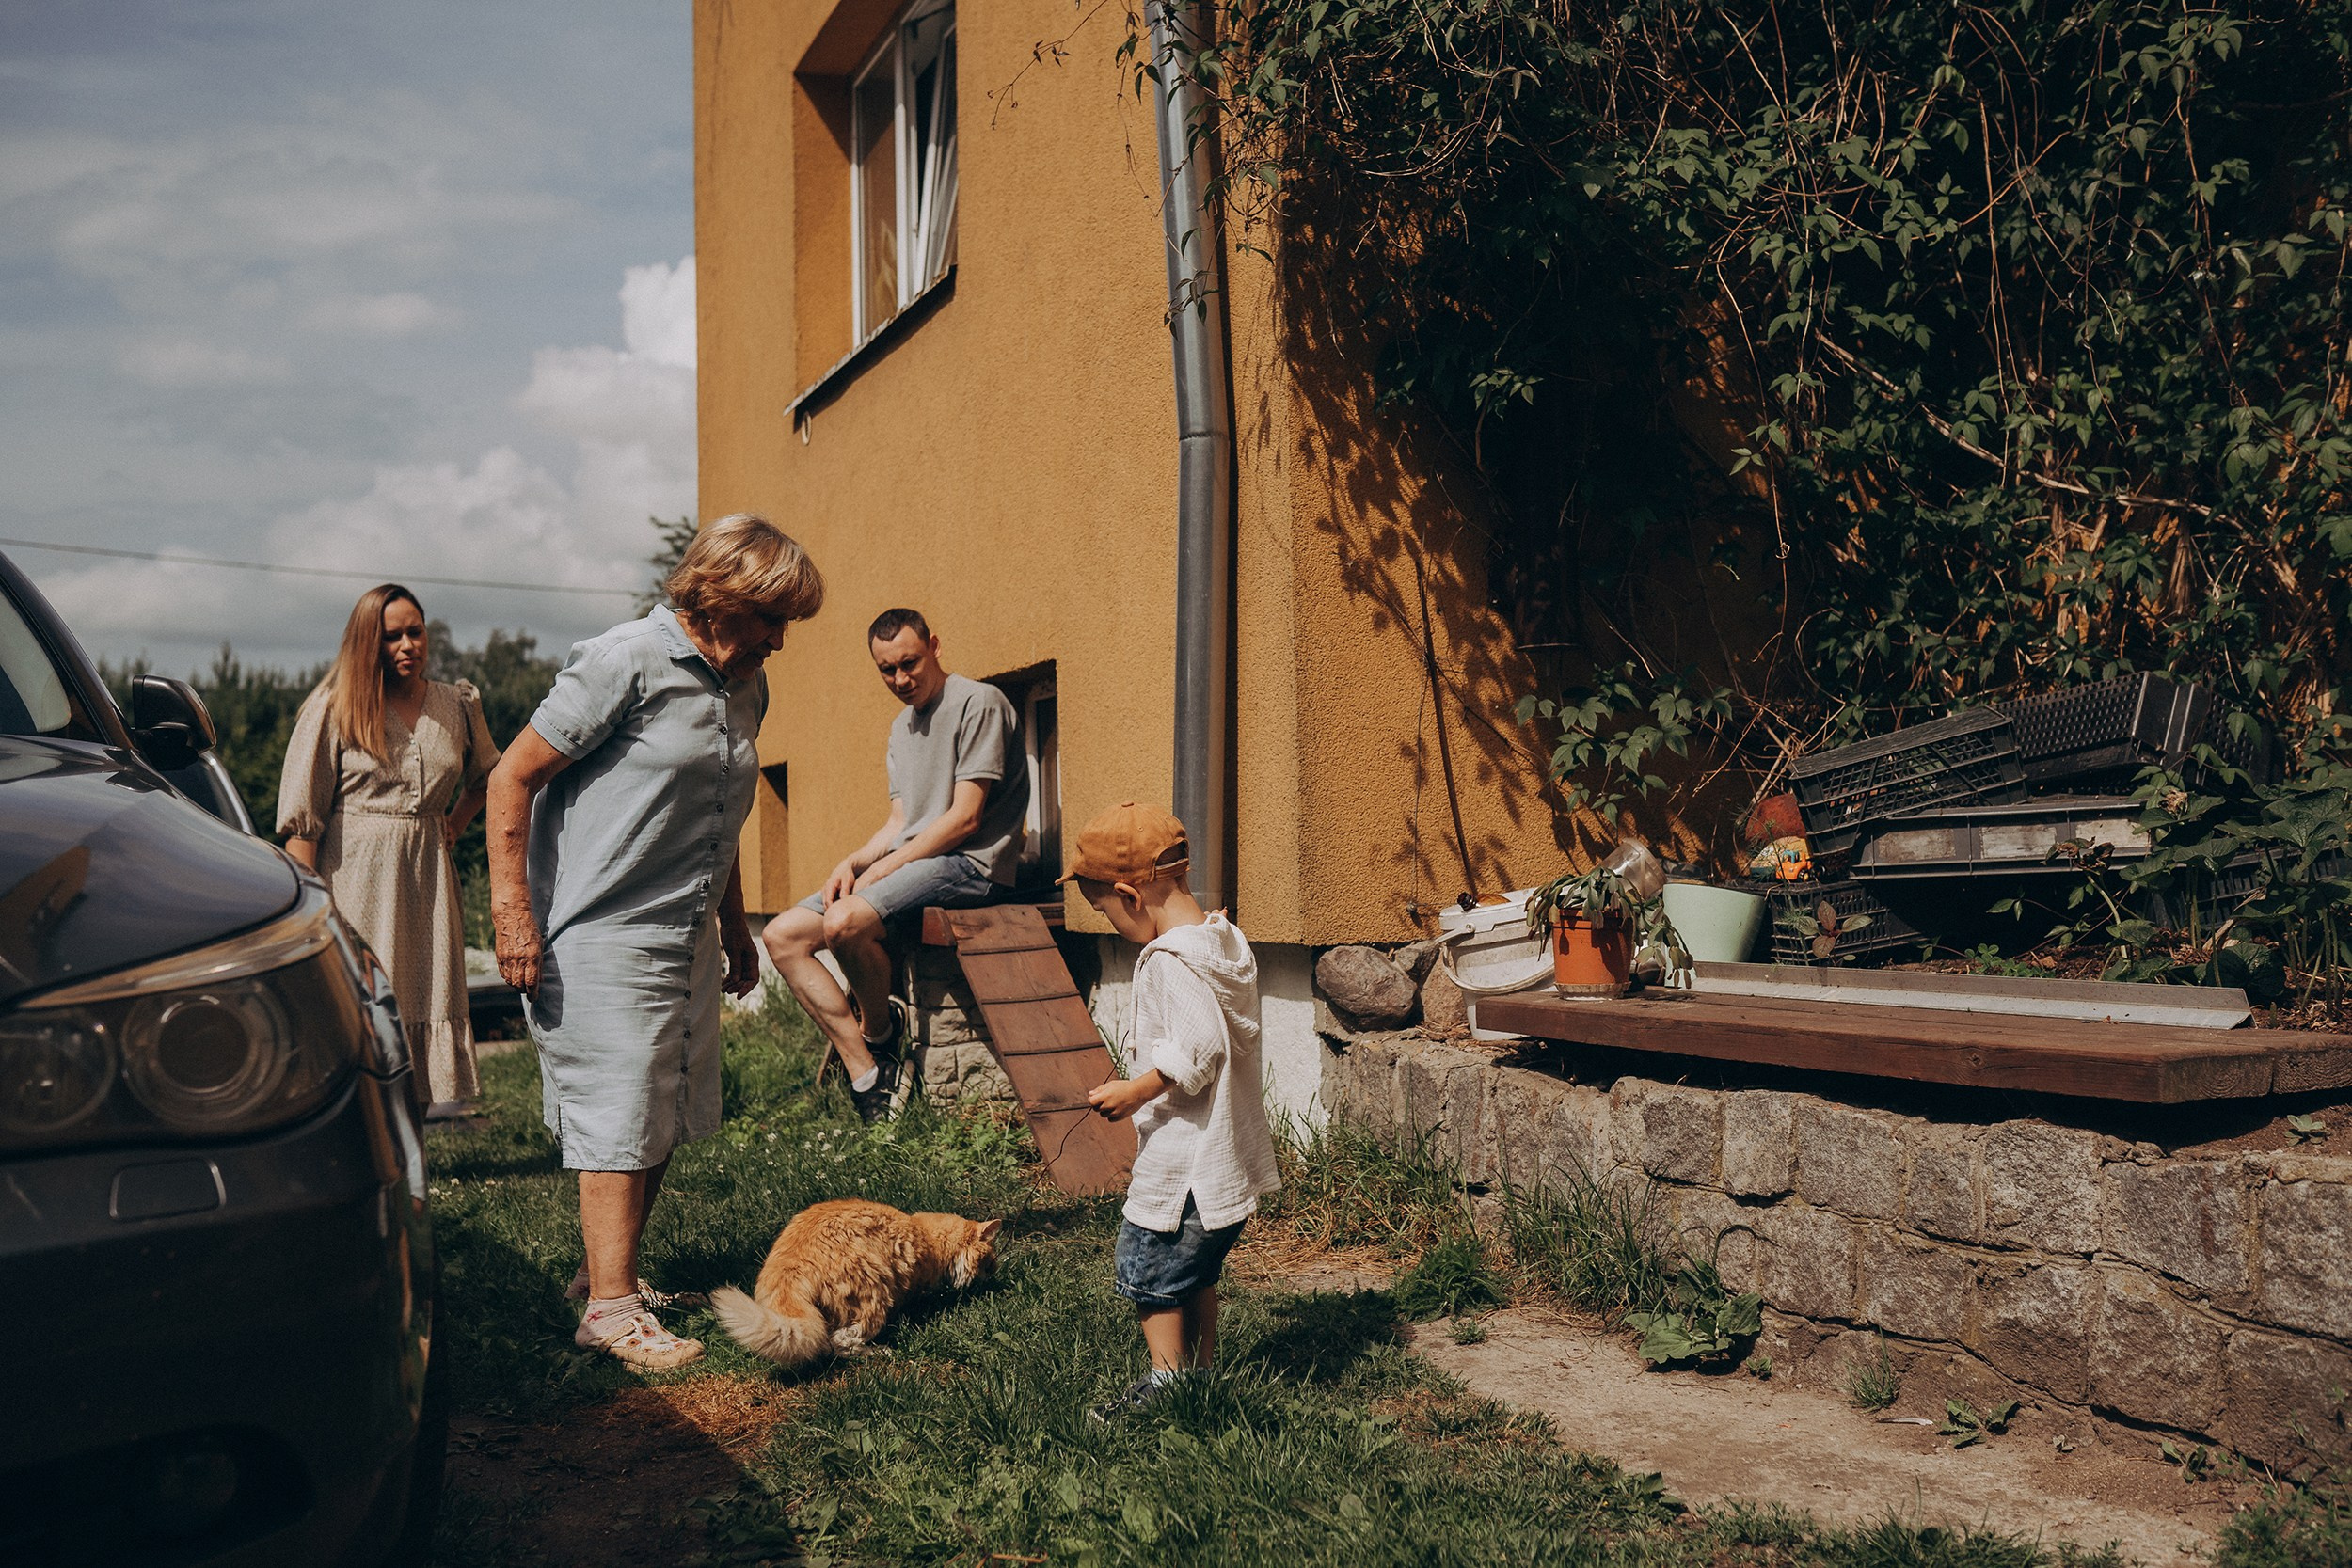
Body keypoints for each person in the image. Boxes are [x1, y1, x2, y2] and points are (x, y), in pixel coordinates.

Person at [485, 513, 823, 1370]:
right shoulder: (623, 661)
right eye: (770, 617)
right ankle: (608, 1310)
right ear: (718, 596)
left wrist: (733, 923)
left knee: (664, 1104)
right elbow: (511, 775)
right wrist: (511, 912)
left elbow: (725, 805)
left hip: (684, 928)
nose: (780, 640)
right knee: (620, 1105)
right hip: (605, 927)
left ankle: (608, 1275)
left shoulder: (746, 683)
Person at [761, 609, 1029, 1122]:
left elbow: (965, 819)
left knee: (843, 923)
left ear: (934, 645)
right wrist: (854, 861)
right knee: (782, 936)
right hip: (919, 861)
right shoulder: (901, 727)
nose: (901, 679)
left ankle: (881, 1028)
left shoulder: (979, 703)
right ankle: (870, 1070)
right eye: (888, 670)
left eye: (910, 663)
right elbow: (900, 822)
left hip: (971, 865)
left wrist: (884, 870)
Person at [1071, 802, 1279, 1419]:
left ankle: (1166, 1384)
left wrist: (1136, 1090)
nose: (1110, 923)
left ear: (1132, 895)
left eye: (1105, 911)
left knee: (1146, 1268)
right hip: (1223, 1159)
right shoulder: (1222, 938)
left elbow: (1202, 1047)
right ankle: (1202, 1375)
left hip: (1186, 1163)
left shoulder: (1168, 960)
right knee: (1197, 1274)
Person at [278, 584, 500, 1119]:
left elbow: (491, 777)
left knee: (421, 1001)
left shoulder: (458, 704)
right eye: (392, 636)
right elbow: (303, 823)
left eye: (415, 632)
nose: (408, 645)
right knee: (364, 1005)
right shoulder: (334, 707)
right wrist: (310, 916)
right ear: (367, 643)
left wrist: (454, 824)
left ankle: (412, 1147)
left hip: (427, 875)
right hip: (355, 879)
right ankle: (362, 1143)